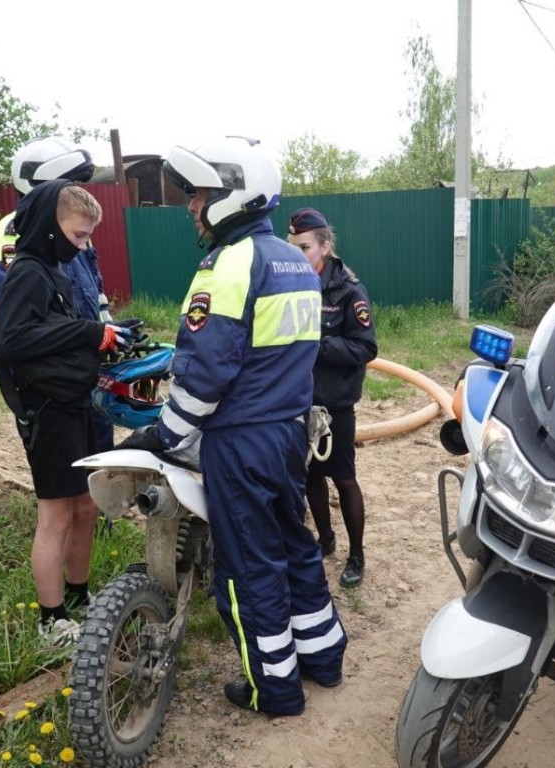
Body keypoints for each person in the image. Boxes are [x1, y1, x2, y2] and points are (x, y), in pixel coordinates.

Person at [121, 136, 347, 717]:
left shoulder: (227, 265)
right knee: (295, 546)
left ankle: (274, 689)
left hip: (241, 439)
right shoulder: (296, 260)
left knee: (249, 568)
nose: (192, 207)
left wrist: (162, 436)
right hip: (288, 432)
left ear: (231, 194)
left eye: (199, 195)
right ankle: (324, 658)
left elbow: (204, 374)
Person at [0, 179, 133, 647]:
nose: (83, 245)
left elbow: (62, 328)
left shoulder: (57, 269)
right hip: (48, 408)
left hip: (77, 403)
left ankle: (78, 596)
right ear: (51, 225)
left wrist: (105, 331)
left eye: (89, 237)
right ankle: (50, 620)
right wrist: (88, 333)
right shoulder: (29, 271)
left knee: (86, 506)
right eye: (77, 236)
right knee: (56, 515)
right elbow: (12, 340)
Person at [0, 136, 115, 451]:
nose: (73, 192)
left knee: (101, 445)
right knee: (70, 466)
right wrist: (83, 334)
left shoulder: (75, 226)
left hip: (86, 358)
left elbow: (91, 291)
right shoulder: (16, 235)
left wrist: (112, 328)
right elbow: (24, 323)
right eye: (65, 183)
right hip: (57, 377)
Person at [286, 208, 377, 588]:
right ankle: (325, 539)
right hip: (298, 401)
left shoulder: (348, 289)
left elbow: (365, 347)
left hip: (334, 405)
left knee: (343, 478)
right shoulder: (289, 284)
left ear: (325, 246)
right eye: (292, 247)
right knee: (310, 477)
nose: (297, 255)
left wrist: (318, 346)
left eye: (304, 247)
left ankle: (356, 555)